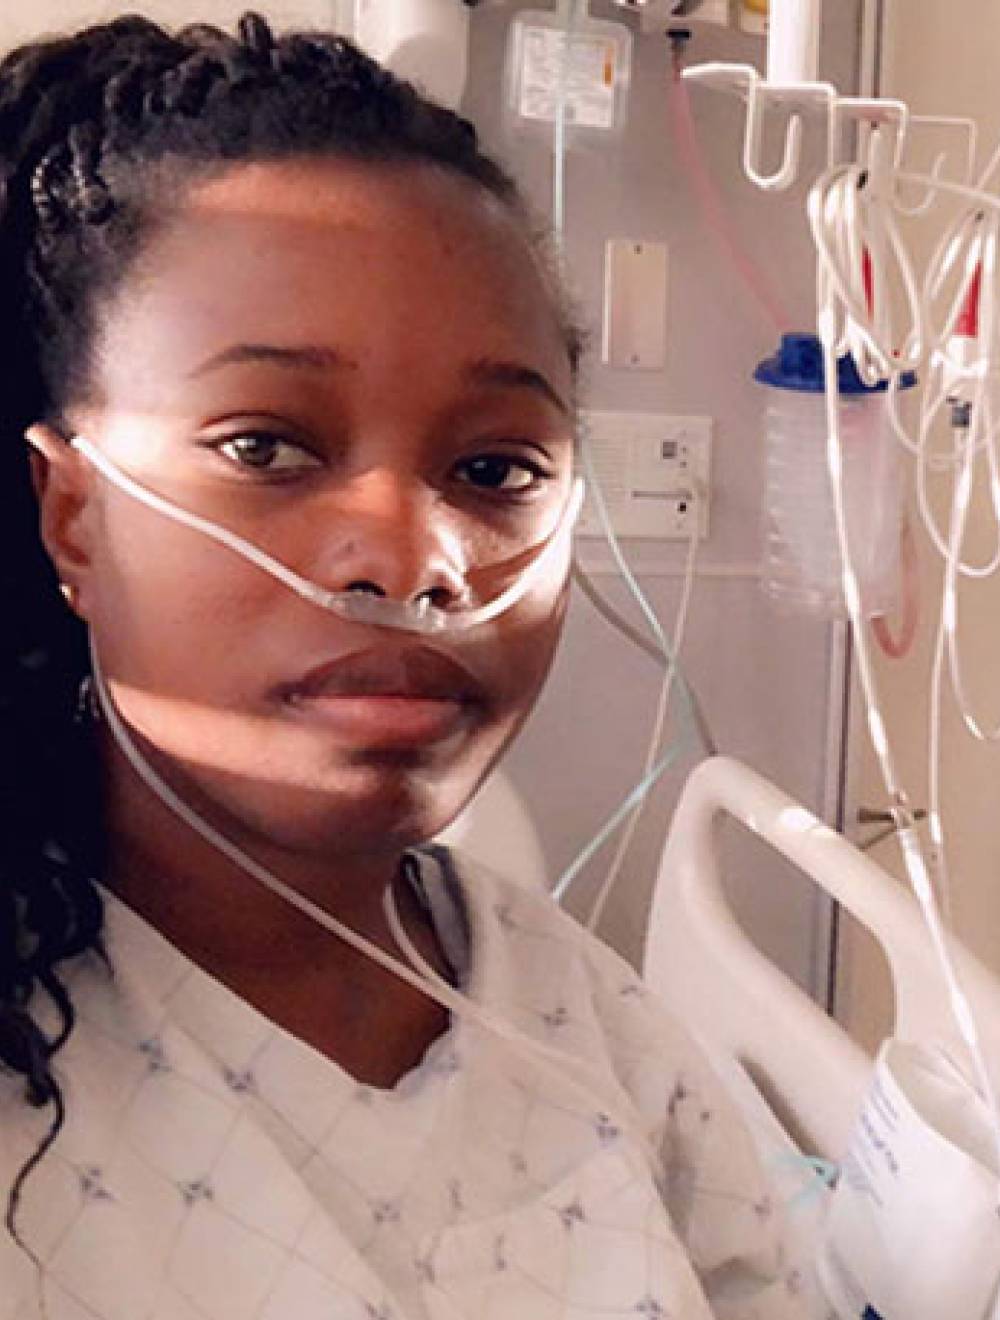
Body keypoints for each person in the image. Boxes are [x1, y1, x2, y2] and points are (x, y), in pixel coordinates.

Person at [0, 14, 810, 1317]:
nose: (414, 560)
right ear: (71, 516)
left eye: (496, 470)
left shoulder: (588, 1030)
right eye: (267, 447)